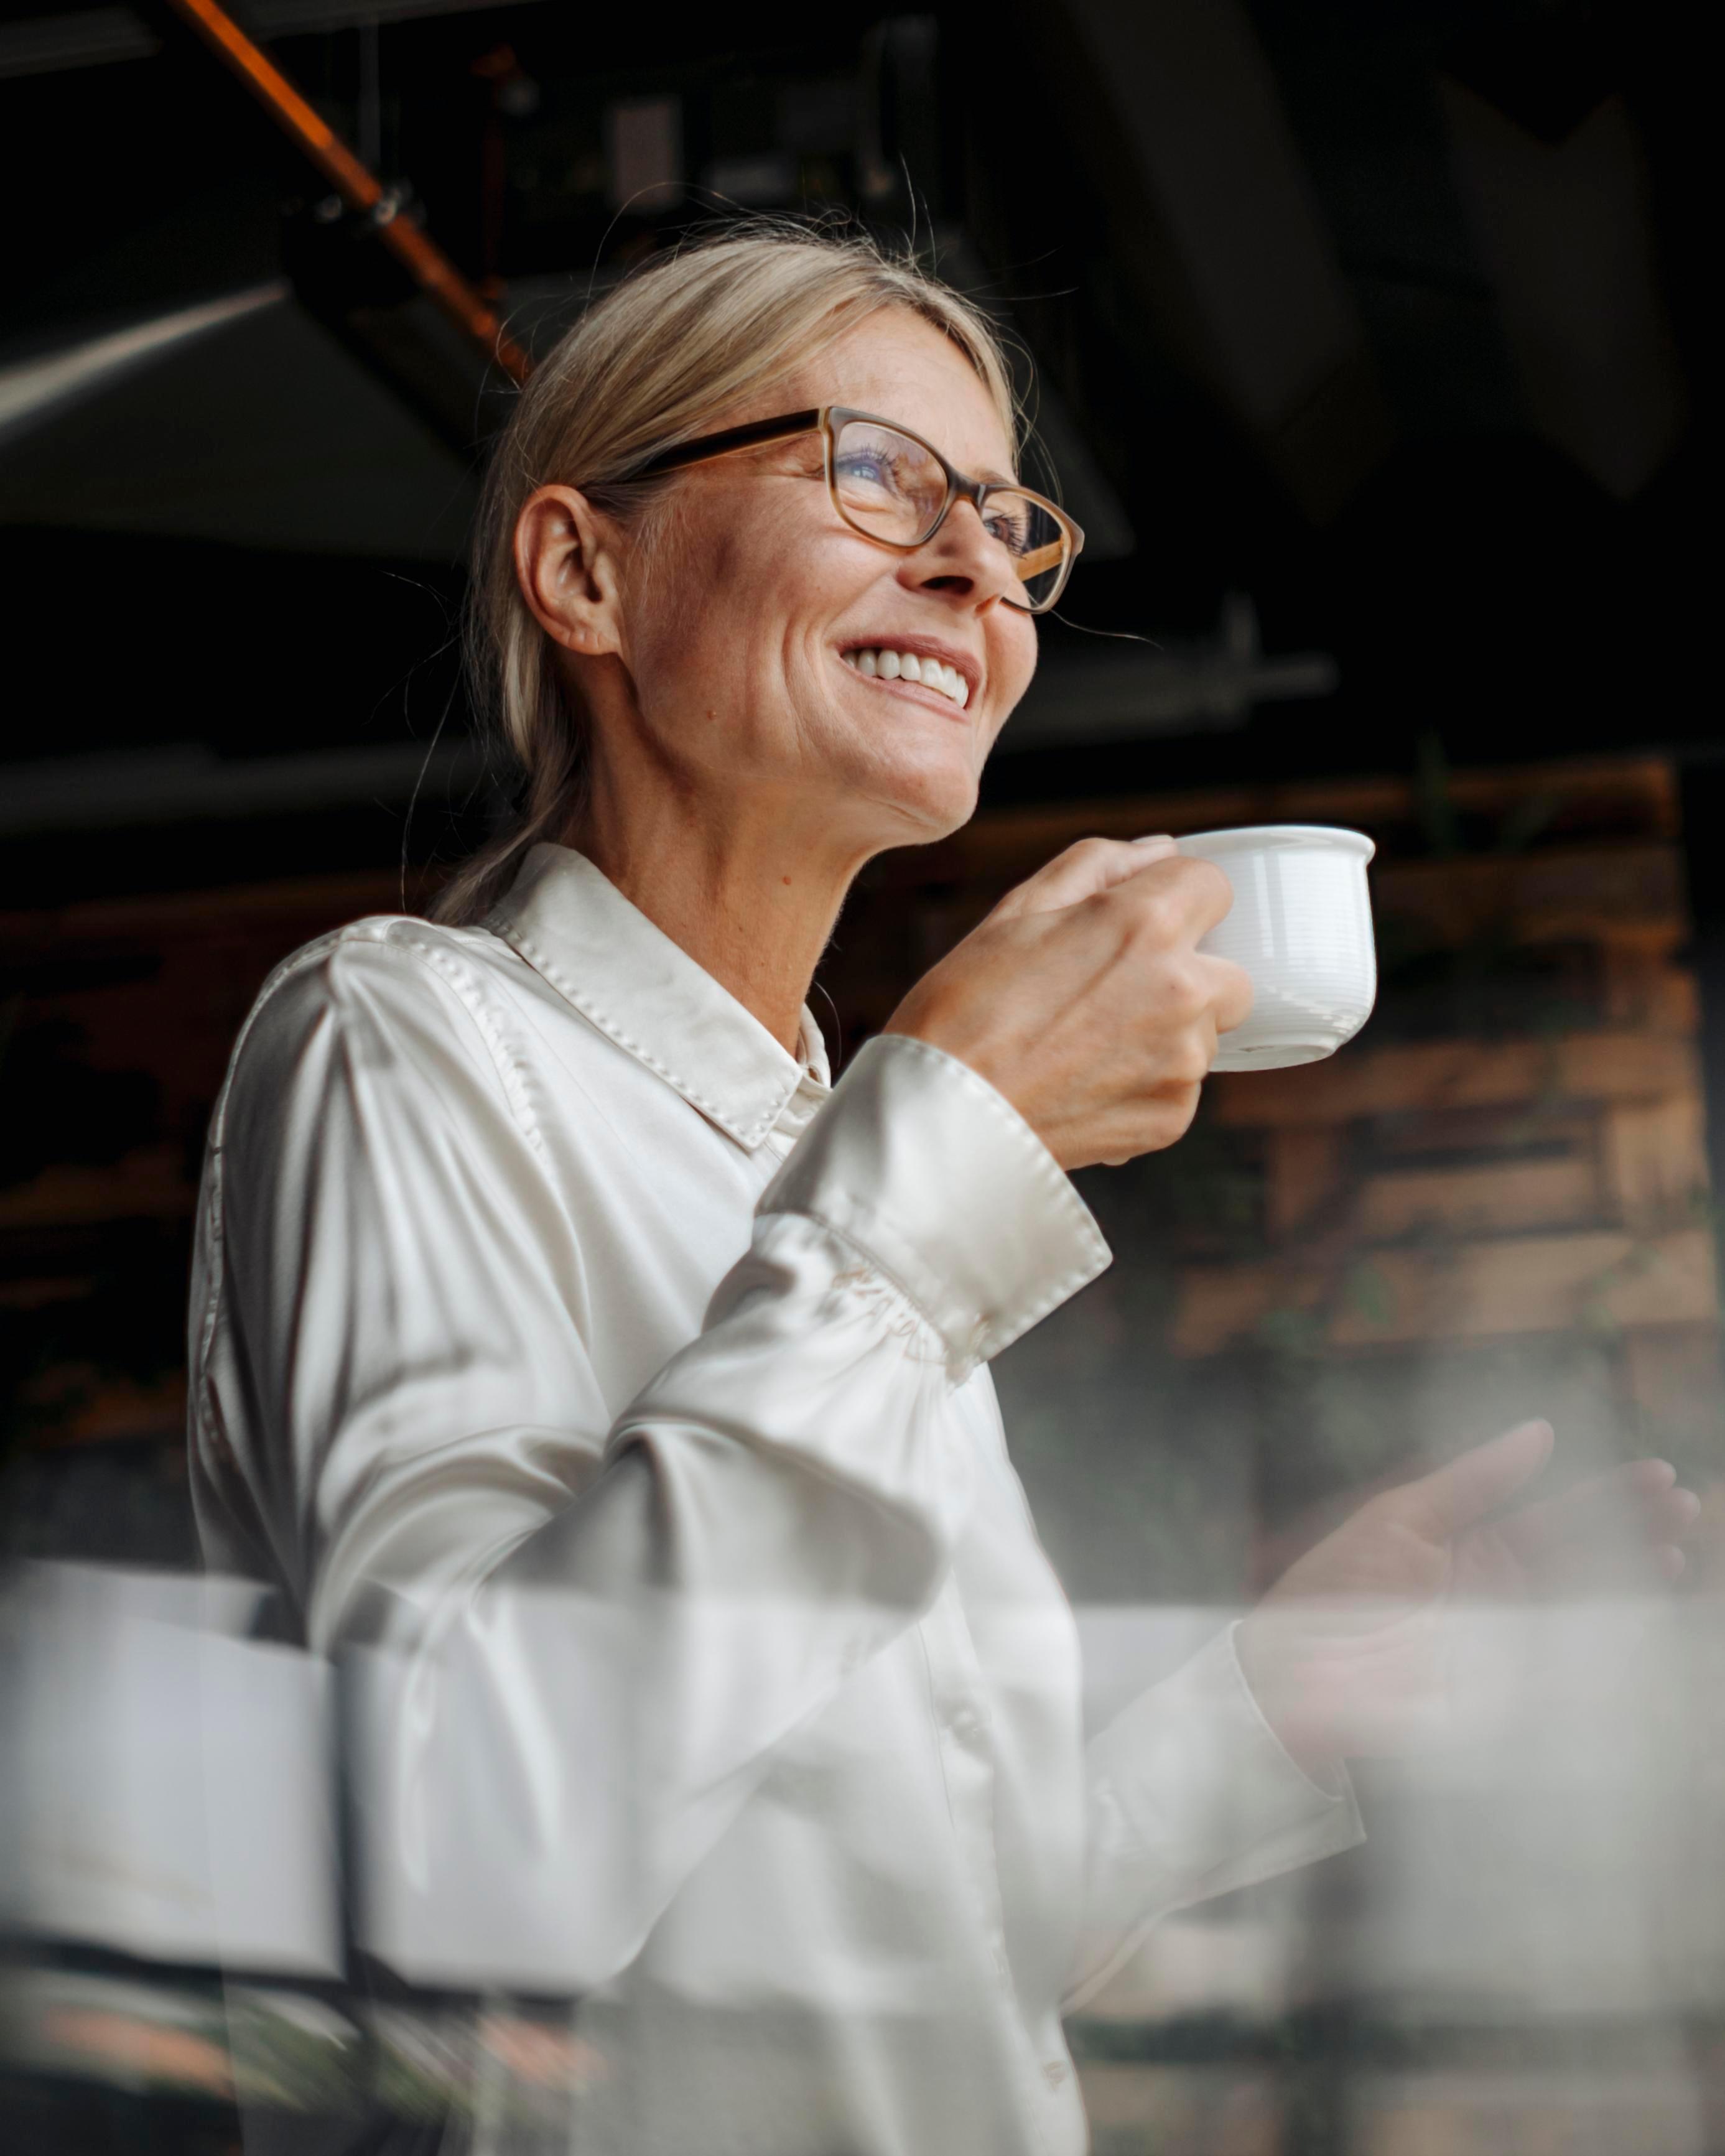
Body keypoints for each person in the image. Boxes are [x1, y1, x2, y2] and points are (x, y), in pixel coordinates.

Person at [188, 223, 1697, 2155]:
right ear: (586, 567)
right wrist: (940, 1173)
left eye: (1008, 516)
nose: (979, 560)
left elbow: (891, 1943)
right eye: (876, 471)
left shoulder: (845, 1152)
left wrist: (1274, 1699)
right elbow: (478, 1852)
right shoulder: (399, 1039)